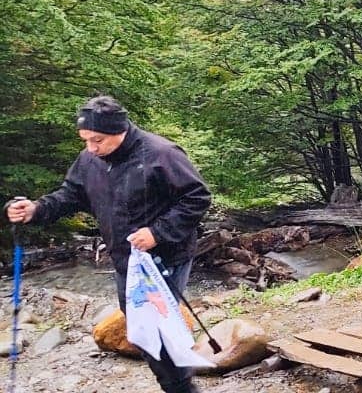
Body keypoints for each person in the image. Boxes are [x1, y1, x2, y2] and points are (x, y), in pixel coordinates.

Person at [6, 96, 211, 393]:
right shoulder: (90, 160)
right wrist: (36, 209)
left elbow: (197, 197)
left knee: (157, 329)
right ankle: (177, 383)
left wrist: (158, 232)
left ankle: (180, 387)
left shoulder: (161, 153)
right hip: (124, 258)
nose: (91, 147)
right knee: (141, 331)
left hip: (165, 257)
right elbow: (69, 195)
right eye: (86, 139)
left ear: (120, 130)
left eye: (97, 140)